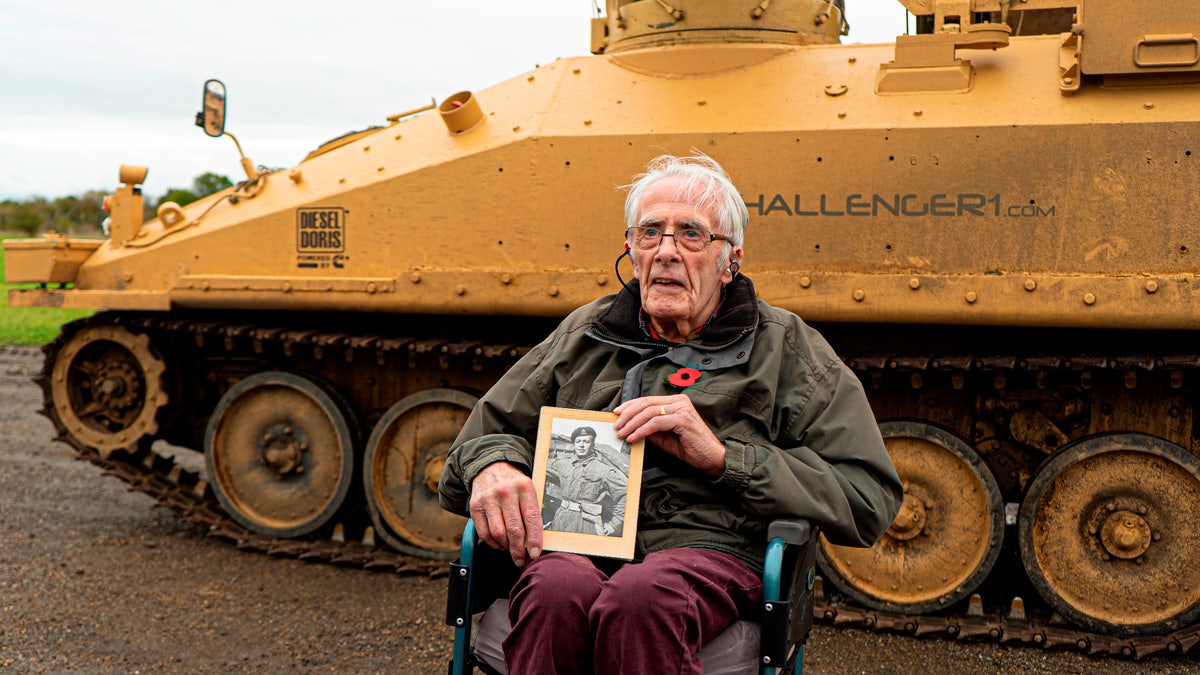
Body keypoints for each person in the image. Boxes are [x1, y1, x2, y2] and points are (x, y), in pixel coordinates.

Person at [439, 153, 902, 674]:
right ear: (630, 250)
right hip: (576, 543)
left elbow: (868, 497)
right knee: (553, 588)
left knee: (643, 598)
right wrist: (493, 465)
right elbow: (482, 436)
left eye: (691, 235)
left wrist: (725, 459)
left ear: (731, 259)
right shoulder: (583, 334)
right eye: (650, 233)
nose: (666, 252)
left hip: (711, 550)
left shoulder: (790, 349)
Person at [544, 426, 628, 536]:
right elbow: (541, 470)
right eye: (578, 441)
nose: (582, 445)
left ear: (593, 444)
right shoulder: (562, 465)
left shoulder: (604, 470)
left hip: (587, 522)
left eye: (586, 441)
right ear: (574, 444)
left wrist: (613, 525)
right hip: (560, 518)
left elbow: (625, 495)